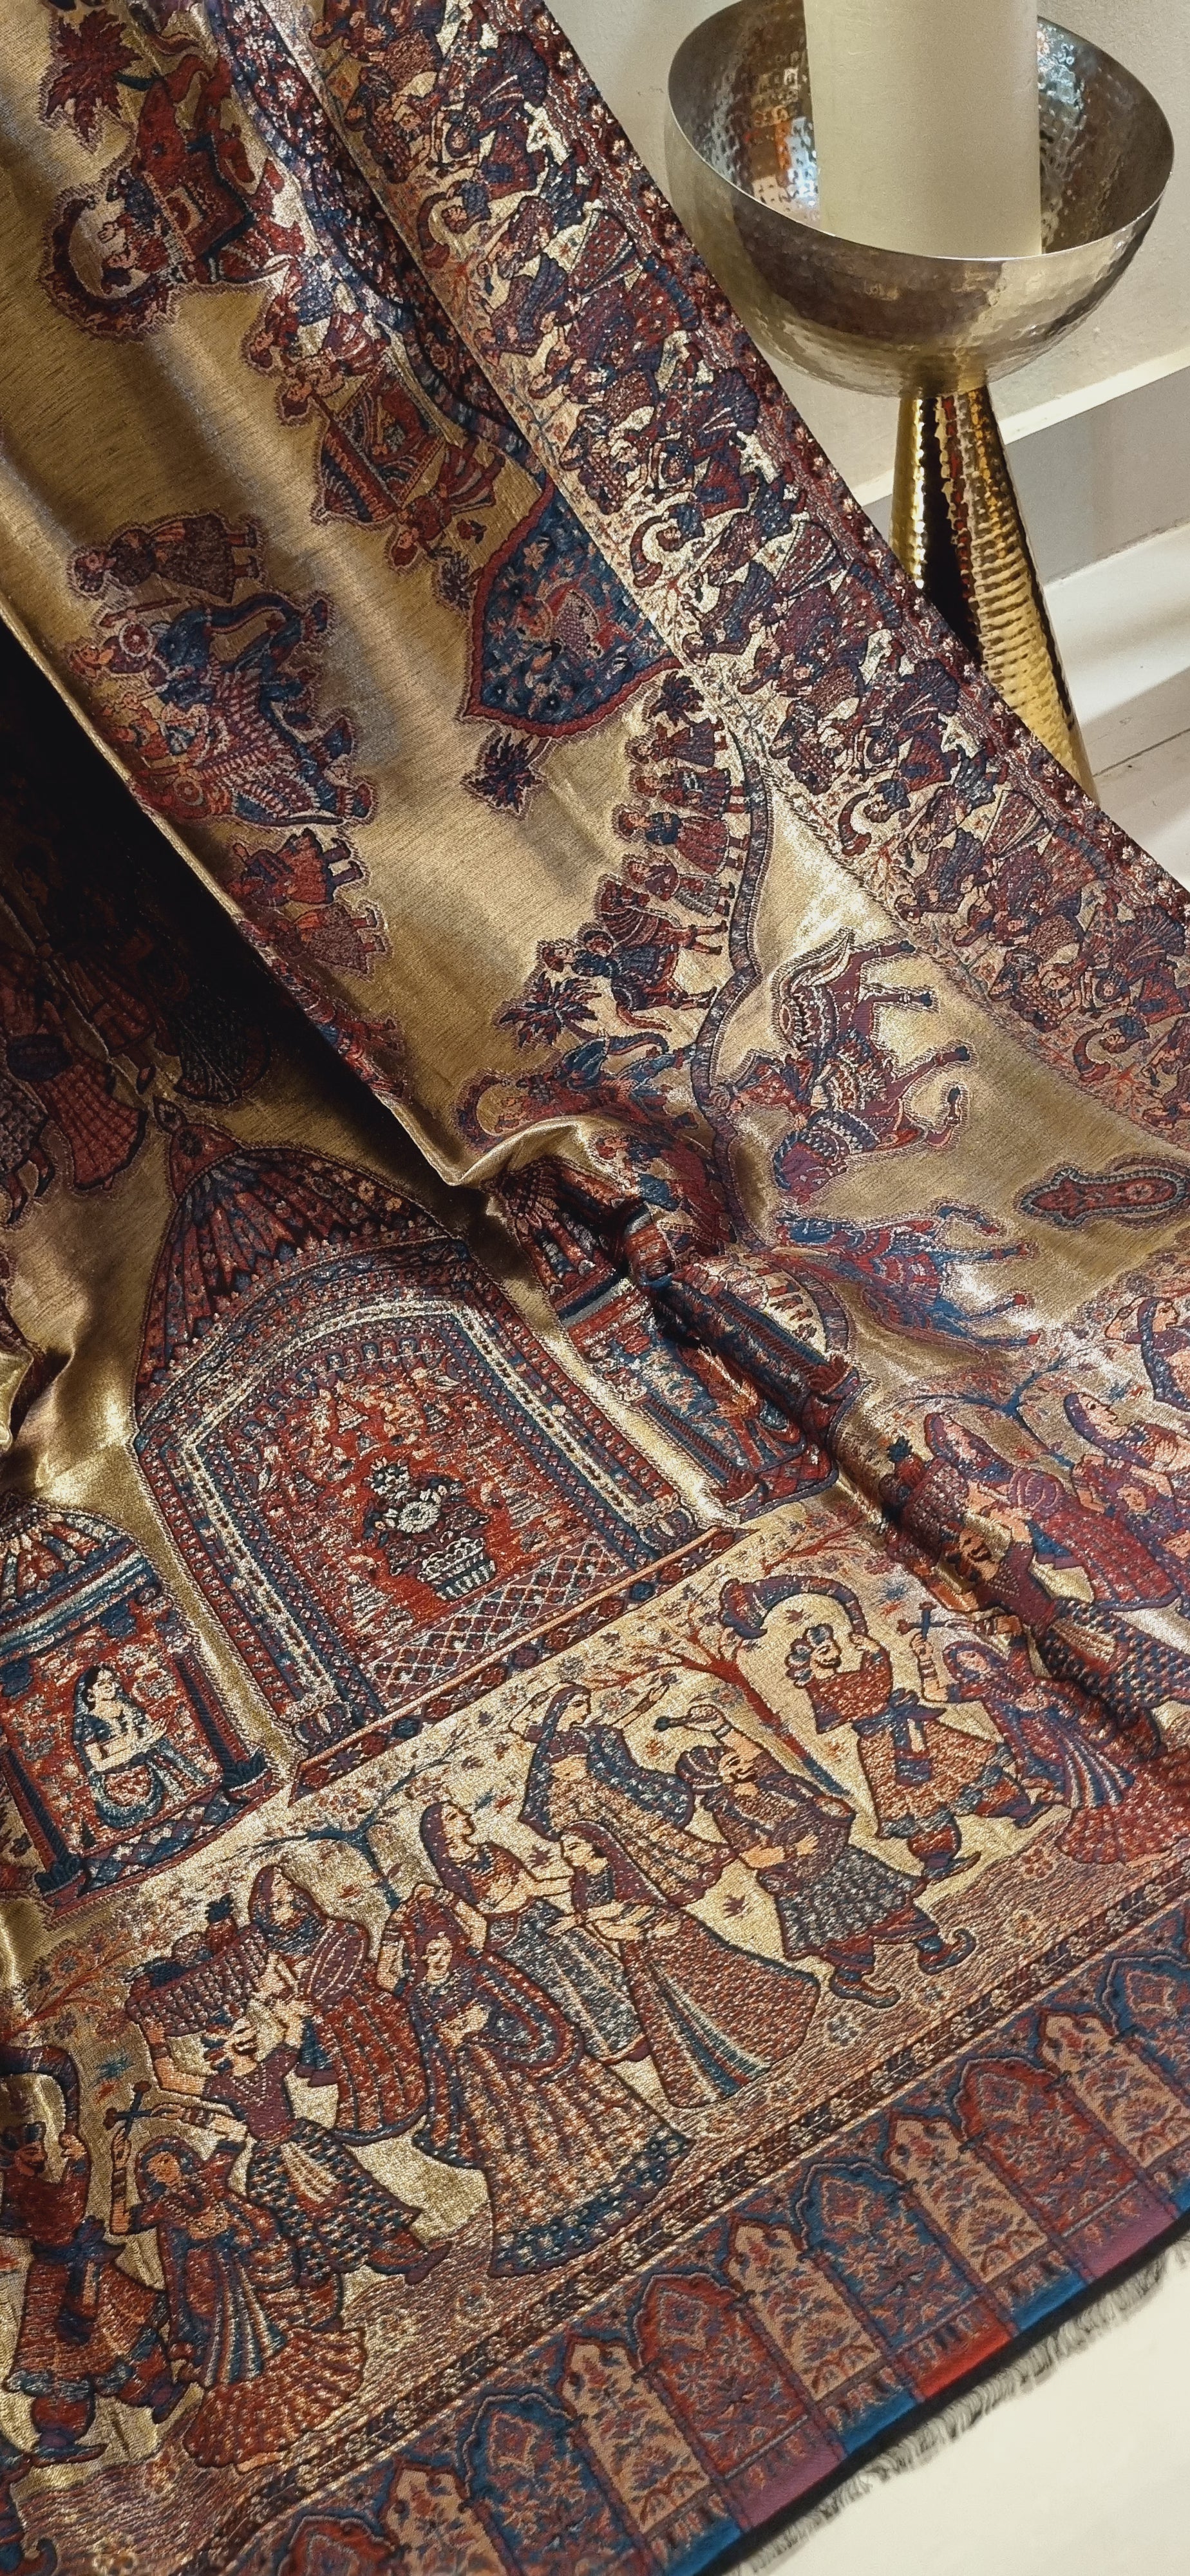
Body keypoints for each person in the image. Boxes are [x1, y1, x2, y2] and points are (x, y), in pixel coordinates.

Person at [397, 1896, 685, 2275]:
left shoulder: (481, 1969)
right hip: (481, 2084)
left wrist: (487, 2030)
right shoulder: (420, 1996)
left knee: (575, 2119)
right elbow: (430, 2047)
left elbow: (527, 2007)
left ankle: (621, 2179)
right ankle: (548, 2222)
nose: (435, 1959)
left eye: (440, 1948)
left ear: (453, 1942)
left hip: (524, 2061)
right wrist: (452, 2043)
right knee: (513, 2147)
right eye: (427, 1954)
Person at [140, 1996, 446, 2307]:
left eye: (250, 2028)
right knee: (297, 2226)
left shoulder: (270, 2067)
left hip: (306, 2142)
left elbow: (292, 2036)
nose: (252, 2034)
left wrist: (290, 2013)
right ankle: (319, 2303)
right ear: (225, 2046)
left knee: (358, 2196)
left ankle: (410, 2259)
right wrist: (156, 2041)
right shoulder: (225, 2086)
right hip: (271, 2163)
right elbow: (170, 2079)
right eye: (242, 2031)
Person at [109, 2131, 365, 2468]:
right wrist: (118, 2167)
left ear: (181, 2158)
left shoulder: (208, 2177)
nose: (164, 2171)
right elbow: (120, 2223)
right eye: (155, 2170)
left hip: (243, 2276)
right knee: (233, 2363)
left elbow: (233, 2137)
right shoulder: (163, 2207)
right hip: (210, 2290)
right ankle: (247, 2450)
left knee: (271, 2348)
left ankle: (303, 2415)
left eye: (167, 2161)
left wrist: (186, 2115)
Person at [677, 1740, 973, 2011]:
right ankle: (849, 1981)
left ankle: (934, 1950)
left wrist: (722, 1728)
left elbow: (757, 1754)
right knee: (844, 1933)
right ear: (718, 1780)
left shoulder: (771, 1781)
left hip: (838, 1856)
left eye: (738, 1758)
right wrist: (795, 1850)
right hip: (804, 1880)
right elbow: (754, 1857)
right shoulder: (730, 1813)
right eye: (733, 1764)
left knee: (890, 1901)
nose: (744, 1763)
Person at [557, 1821, 818, 2105]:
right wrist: (643, 1932)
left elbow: (634, 1904)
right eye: (565, 1849)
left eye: (573, 1847)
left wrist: (592, 1917)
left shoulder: (620, 1868)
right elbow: (608, 1930)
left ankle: (768, 2035)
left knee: (720, 1981)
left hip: (675, 1932)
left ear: (594, 1846)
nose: (567, 1855)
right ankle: (720, 2072)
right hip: (643, 1946)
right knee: (672, 2011)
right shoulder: (581, 1887)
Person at [784, 1617, 1039, 1883]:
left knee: (966, 1769)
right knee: (919, 1801)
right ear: (810, 1664)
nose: (836, 1652)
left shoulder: (838, 1681)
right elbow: (875, 1689)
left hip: (907, 1729)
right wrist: (874, 1652)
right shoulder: (828, 1689)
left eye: (833, 1646)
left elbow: (873, 1687)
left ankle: (1019, 1810)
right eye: (826, 1650)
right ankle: (938, 1863)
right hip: (886, 1745)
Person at [0, 2115, 180, 2463]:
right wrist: (81, 2162)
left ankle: (159, 2395)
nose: (42, 2156)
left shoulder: (21, 2187)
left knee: (118, 2336)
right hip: (64, 2279)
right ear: (13, 2158)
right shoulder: (23, 2189)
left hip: (68, 2271)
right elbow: (66, 2212)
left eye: (39, 2149)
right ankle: (57, 2440)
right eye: (32, 2152)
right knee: (70, 2359)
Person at [419, 1799, 644, 2065]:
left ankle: (639, 2027)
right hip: (512, 1938)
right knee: (559, 1989)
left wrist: (581, 1877)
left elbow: (533, 1887)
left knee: (588, 1969)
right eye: (454, 1817)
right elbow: (474, 1915)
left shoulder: (492, 1851)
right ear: (442, 1833)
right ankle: (609, 2045)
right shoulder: (452, 1873)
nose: (465, 1815)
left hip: (541, 1916)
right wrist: (496, 1902)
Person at [942, 1636, 1190, 1867]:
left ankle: (1162, 1827)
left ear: (983, 1652)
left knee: (1125, 1772)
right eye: (966, 1662)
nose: (974, 1661)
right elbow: (935, 1693)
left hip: (1074, 1721)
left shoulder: (1014, 1667)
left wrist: (989, 1628)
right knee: (1099, 1788)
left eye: (973, 1654)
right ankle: (1136, 1850)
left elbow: (1016, 1636)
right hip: (1049, 1740)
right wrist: (924, 1657)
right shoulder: (981, 1689)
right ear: (964, 1670)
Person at [247, 1866, 426, 2137]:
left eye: (285, 1880)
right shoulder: (272, 1944)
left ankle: (421, 2090)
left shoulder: (311, 1916)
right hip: (333, 2016)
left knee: (395, 2044)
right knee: (360, 2064)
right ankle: (379, 2116)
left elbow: (347, 1934)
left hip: (362, 1993)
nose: (286, 1884)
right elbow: (269, 1985)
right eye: (279, 1881)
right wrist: (289, 2004)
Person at [71, 1663, 206, 1830]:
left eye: (111, 1681)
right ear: (90, 1693)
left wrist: (152, 1737)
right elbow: (98, 1765)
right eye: (101, 1683)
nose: (108, 1686)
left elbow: (146, 1733)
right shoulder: (88, 1723)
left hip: (148, 1768)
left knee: (161, 1744)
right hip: (117, 1783)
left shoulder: (130, 1709)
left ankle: (199, 1784)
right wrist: (140, 1746)